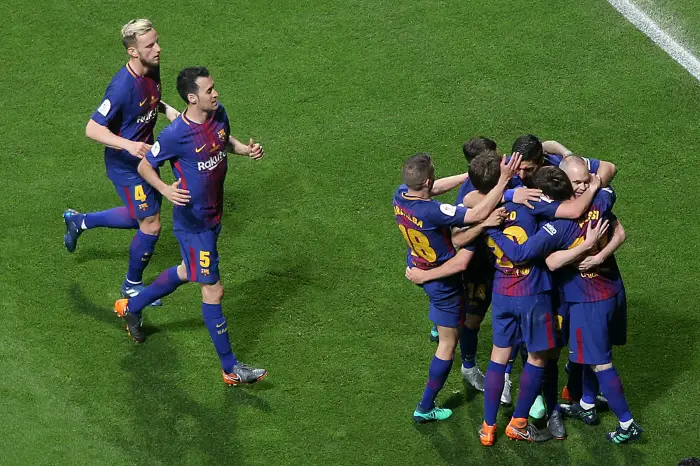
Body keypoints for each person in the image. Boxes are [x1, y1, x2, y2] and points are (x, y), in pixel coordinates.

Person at [113, 66, 267, 386]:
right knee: (213, 289)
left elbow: (223, 141)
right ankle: (230, 368)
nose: (216, 93)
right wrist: (166, 190)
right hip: (192, 224)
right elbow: (145, 165)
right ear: (193, 97)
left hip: (213, 217)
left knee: (187, 270)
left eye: (214, 88)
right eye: (209, 90)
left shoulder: (218, 114)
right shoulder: (175, 135)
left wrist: (245, 150)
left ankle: (133, 307)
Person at [488, 161, 642, 444]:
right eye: (578, 183)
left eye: (585, 181)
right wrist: (600, 254)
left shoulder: (557, 226)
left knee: (599, 361)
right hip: (609, 289)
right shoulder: (602, 199)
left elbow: (549, 260)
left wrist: (588, 251)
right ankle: (585, 402)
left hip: (588, 298)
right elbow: (619, 229)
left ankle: (627, 422)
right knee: (586, 353)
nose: (583, 186)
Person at [394, 152, 520, 423]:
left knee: (448, 325)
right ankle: (425, 407)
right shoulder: (432, 211)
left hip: (417, 259)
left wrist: (467, 177)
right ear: (427, 180)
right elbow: (475, 215)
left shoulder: (401, 194)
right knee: (447, 345)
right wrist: (502, 183)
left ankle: (439, 324)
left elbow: (435, 189)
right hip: (439, 279)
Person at [63, 19, 181, 305]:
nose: (158, 49)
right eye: (150, 45)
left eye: (156, 41)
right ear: (132, 52)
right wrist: (130, 145)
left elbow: (149, 99)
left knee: (139, 216)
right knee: (151, 224)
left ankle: (80, 221)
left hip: (145, 158)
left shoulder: (151, 66)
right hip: (126, 166)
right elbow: (92, 128)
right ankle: (131, 285)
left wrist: (166, 109)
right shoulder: (120, 87)